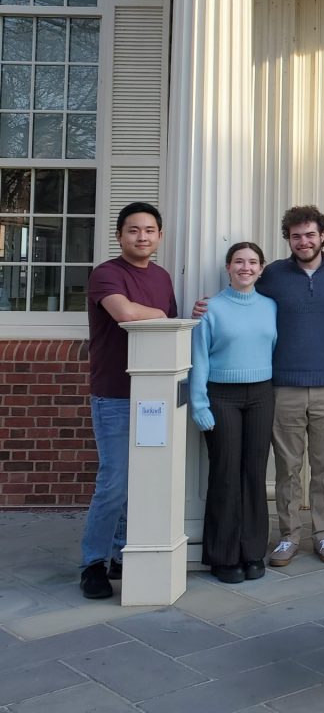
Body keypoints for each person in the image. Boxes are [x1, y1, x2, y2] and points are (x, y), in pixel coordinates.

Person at [196, 206, 324, 567]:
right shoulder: (272, 276)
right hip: (282, 386)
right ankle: (289, 536)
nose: (304, 241)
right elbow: (243, 299)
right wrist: (204, 309)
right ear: (288, 239)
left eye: (310, 234)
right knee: (287, 467)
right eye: (296, 235)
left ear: (323, 236)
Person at [80, 202, 176, 600]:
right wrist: (155, 312)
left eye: (149, 230)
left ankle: (121, 552)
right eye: (133, 230)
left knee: (141, 482)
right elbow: (126, 314)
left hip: (153, 396)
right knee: (115, 482)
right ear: (120, 235)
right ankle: (92, 563)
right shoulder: (106, 274)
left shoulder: (163, 276)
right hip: (115, 395)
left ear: (159, 236)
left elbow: (168, 330)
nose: (142, 237)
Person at [190, 242, 277, 583]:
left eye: (253, 262)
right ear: (228, 267)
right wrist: (199, 403)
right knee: (225, 473)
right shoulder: (210, 308)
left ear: (261, 268)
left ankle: (253, 551)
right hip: (220, 395)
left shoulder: (270, 306)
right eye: (239, 261)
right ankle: (223, 556)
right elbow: (199, 357)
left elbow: (272, 347)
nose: (246, 267)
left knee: (254, 473)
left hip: (261, 394)